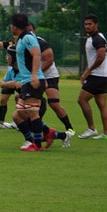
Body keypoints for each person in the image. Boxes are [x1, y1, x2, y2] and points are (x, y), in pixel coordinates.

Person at [9, 13, 47, 151]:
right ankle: (50, 133)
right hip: (26, 81)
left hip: (32, 80)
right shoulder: (21, 38)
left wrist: (34, 76)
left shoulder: (28, 37)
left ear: (15, 26)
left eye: (11, 25)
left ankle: (37, 144)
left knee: (32, 113)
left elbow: (36, 55)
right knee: (19, 113)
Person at [29, 23, 74, 134]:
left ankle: (69, 128)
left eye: (30, 30)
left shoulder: (40, 43)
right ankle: (32, 125)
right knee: (25, 99)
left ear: (34, 31)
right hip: (34, 76)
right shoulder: (23, 43)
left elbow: (49, 60)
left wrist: (36, 73)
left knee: (54, 103)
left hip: (49, 76)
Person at [77, 14, 107, 140]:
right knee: (102, 104)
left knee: (82, 100)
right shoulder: (94, 37)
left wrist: (88, 71)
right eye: (85, 24)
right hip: (103, 75)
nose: (87, 26)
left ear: (96, 25)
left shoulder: (97, 39)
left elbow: (101, 57)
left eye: (90, 24)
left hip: (97, 76)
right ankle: (106, 134)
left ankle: (91, 128)